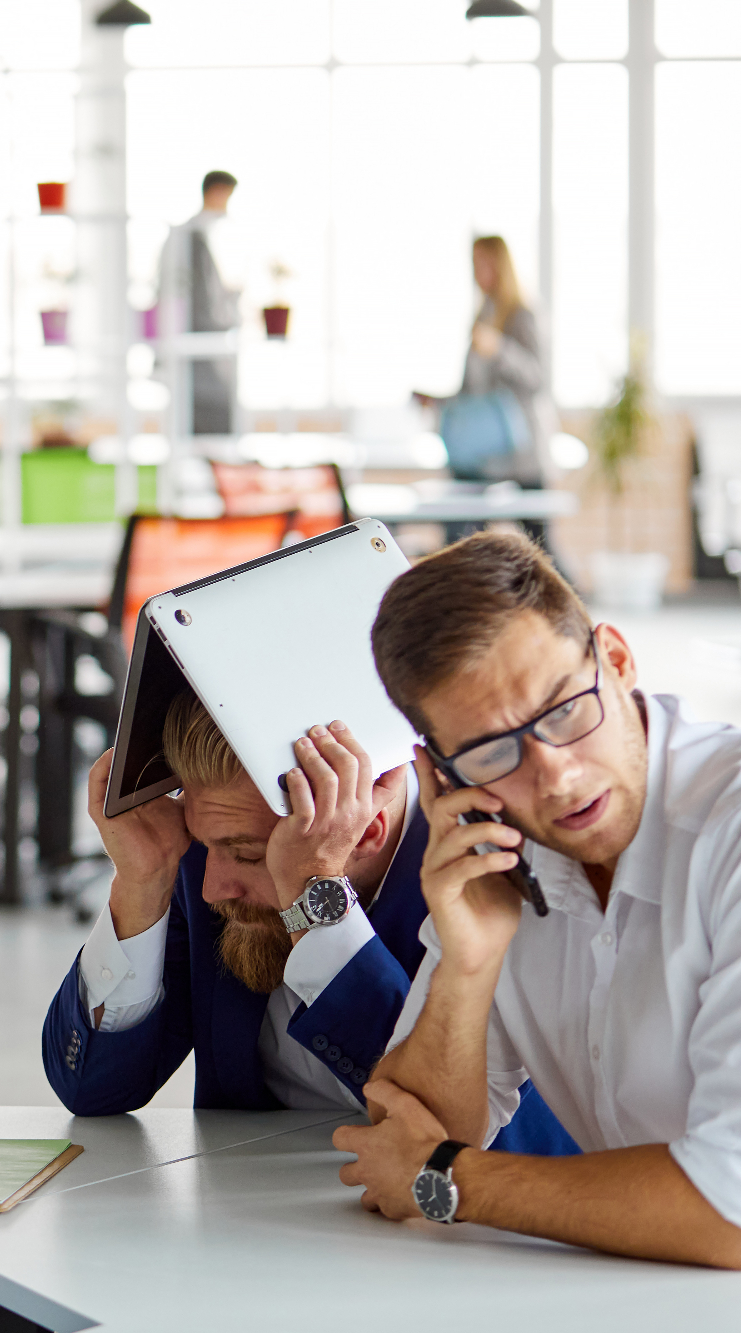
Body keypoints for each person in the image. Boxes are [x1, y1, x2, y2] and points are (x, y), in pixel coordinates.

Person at [337, 532, 741, 1267]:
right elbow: (402, 1123)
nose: (553, 776)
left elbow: (731, 1209)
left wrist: (450, 1180)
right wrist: (468, 961)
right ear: (442, 774)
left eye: (564, 711)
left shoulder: (729, 828)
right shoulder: (497, 857)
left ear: (616, 661)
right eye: (493, 751)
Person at [42, 693, 573, 1152]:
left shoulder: (496, 878)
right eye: (209, 849)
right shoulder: (209, 857)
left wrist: (314, 898)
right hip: (251, 1229)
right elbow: (92, 1089)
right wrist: (142, 882)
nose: (212, 889)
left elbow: (454, 1136)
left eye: (248, 856)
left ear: (365, 832)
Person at [414, 235, 558, 547]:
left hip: (522, 451)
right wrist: (438, 401)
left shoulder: (523, 314)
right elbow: (473, 392)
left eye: (484, 263)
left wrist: (499, 349)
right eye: (474, 264)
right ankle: (459, 594)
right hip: (483, 454)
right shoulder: (483, 314)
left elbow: (538, 380)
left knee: (542, 546)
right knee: (461, 536)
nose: (478, 272)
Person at [161, 169, 241, 436]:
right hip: (195, 344)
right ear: (216, 192)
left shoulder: (197, 236)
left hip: (202, 343)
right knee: (204, 413)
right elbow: (196, 300)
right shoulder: (189, 238)